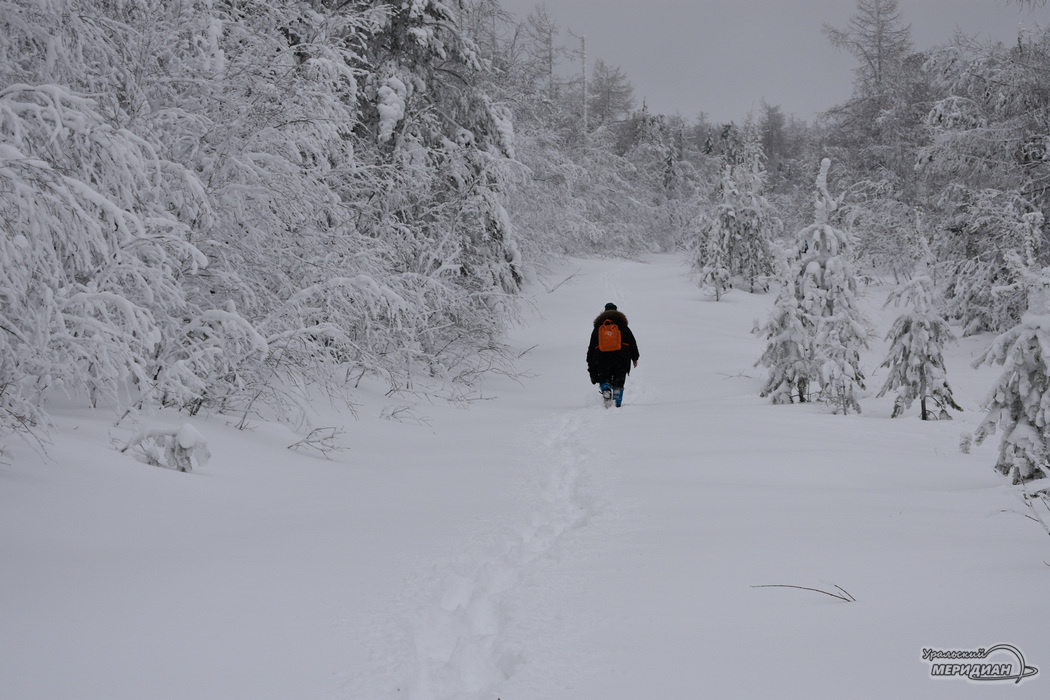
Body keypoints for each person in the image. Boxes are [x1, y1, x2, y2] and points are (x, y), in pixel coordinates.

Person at [586, 302, 640, 408]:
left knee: (604, 376)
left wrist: (589, 362)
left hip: (602, 357)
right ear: (616, 311)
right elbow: (632, 342)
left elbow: (591, 346)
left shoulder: (599, 327)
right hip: (621, 357)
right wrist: (635, 357)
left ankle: (606, 389)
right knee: (619, 379)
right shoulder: (622, 325)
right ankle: (617, 402)